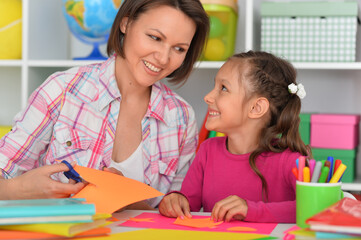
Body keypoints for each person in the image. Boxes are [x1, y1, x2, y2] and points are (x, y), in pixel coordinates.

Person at [0, 0, 209, 209]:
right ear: (125, 24)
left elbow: (173, 210)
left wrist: (125, 196)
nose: (164, 58)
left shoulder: (181, 117)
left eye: (179, 49)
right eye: (155, 37)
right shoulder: (62, 91)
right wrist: (16, 190)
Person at [158, 51, 310, 223]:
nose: (207, 97)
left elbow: (314, 208)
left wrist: (251, 210)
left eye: (223, 88)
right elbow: (187, 202)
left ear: (256, 108)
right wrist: (176, 200)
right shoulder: (208, 150)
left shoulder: (291, 161)